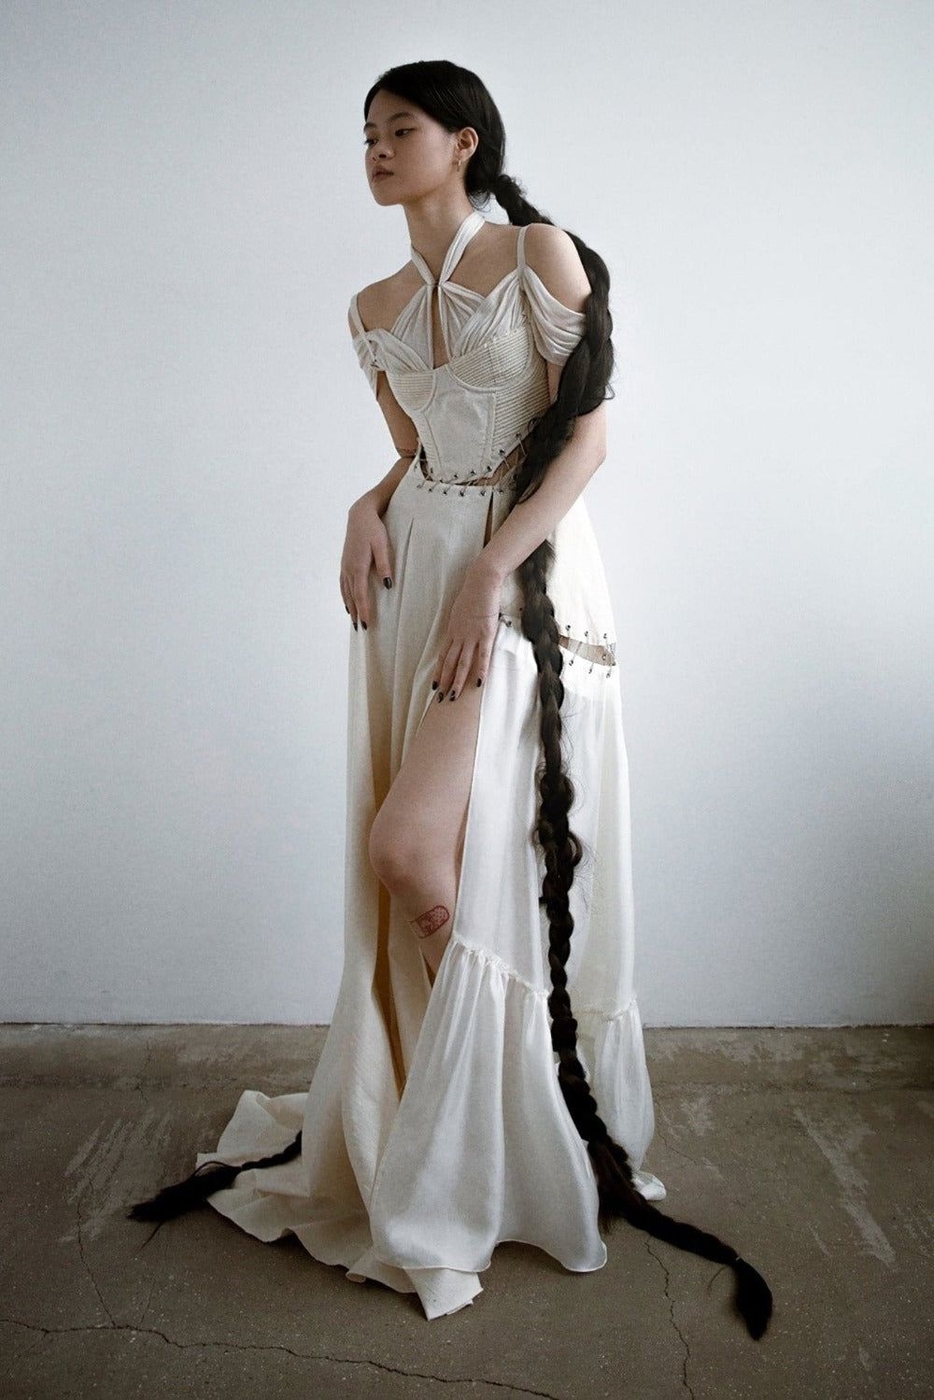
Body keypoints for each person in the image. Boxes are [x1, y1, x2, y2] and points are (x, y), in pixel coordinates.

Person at [128, 59, 772, 1338]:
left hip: (518, 573)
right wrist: (364, 500)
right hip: (415, 564)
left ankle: (525, 1116)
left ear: (463, 140)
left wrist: (490, 568)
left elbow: (584, 434)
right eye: (365, 133)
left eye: (401, 128)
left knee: (415, 844)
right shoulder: (370, 304)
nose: (376, 148)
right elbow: (420, 446)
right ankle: (477, 1115)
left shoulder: (537, 254)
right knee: (437, 857)